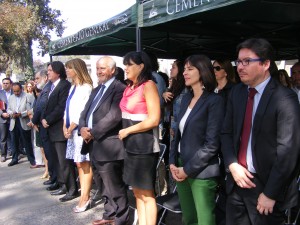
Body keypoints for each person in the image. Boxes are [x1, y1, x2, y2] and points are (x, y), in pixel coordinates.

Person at [221, 38, 300, 225]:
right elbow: (226, 133)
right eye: (238, 61)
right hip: (237, 182)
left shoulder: (284, 98)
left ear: (265, 64)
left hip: (266, 187)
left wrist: (270, 193)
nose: (240, 67)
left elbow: (288, 151)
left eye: (247, 61)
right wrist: (232, 164)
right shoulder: (237, 93)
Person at [169, 54, 224, 225]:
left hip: (201, 171)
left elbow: (212, 145)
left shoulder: (215, 101)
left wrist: (188, 169)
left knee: (204, 221)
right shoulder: (186, 98)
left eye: (190, 69)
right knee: (189, 218)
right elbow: (177, 134)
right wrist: (172, 161)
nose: (185, 72)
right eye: (184, 69)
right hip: (180, 165)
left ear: (202, 72)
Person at [78, 56, 129, 225]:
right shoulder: (96, 89)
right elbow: (84, 113)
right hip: (93, 145)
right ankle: (109, 215)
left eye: (103, 68)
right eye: (97, 68)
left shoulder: (120, 88)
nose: (99, 72)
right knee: (102, 185)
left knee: (114, 185)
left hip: (109, 146)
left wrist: (92, 132)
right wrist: (82, 128)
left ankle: (121, 219)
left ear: (112, 70)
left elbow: (114, 116)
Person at [119, 51, 161, 225]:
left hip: (144, 146)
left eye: (129, 64)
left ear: (141, 66)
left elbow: (154, 119)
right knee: (137, 192)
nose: (125, 68)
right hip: (130, 146)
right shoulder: (129, 87)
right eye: (125, 64)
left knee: (147, 193)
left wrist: (128, 131)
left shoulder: (149, 85)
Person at [42, 61, 78, 202]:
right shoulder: (52, 86)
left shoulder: (64, 85)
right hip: (52, 129)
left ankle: (72, 189)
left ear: (58, 72)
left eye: (50, 70)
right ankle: (63, 185)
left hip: (59, 128)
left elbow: (61, 107)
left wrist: (48, 119)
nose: (48, 72)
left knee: (64, 161)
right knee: (57, 160)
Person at [63, 58, 93, 213]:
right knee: (78, 164)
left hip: (80, 130)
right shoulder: (72, 87)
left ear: (77, 69)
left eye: (69, 68)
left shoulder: (86, 87)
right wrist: (64, 125)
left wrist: (71, 126)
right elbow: (67, 109)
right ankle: (84, 193)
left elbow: (82, 111)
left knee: (84, 164)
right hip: (72, 131)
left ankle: (86, 197)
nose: (66, 71)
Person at [31, 70, 56, 182]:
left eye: (37, 79)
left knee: (51, 154)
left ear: (44, 78)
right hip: (42, 125)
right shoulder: (44, 89)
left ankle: (55, 178)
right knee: (47, 152)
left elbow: (41, 108)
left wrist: (34, 120)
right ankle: (53, 177)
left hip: (46, 125)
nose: (35, 81)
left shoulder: (47, 88)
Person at [7, 82, 36, 167]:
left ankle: (31, 159)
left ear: (21, 89)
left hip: (24, 120)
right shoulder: (11, 98)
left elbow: (33, 108)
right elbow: (8, 109)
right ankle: (15, 158)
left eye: (18, 91)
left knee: (26, 141)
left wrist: (22, 113)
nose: (16, 93)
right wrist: (12, 113)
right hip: (14, 121)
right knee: (14, 141)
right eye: (14, 91)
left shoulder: (28, 96)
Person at [0, 78, 13, 162]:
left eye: (7, 83)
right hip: (2, 118)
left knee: (13, 136)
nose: (5, 84)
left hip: (12, 117)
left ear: (10, 84)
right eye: (4, 83)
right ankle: (3, 154)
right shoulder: (0, 93)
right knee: (3, 137)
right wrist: (2, 113)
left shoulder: (14, 92)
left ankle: (15, 152)